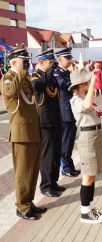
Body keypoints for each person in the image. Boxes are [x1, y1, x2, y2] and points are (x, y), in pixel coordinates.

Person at [0, 44, 46, 220]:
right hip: (21, 133)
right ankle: (21, 207)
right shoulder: (8, 78)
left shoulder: (24, 78)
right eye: (22, 61)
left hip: (33, 130)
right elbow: (11, 93)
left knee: (33, 170)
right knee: (23, 171)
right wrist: (19, 71)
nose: (26, 64)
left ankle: (29, 202)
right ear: (13, 62)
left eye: (26, 61)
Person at [69, 69, 102, 224]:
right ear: (81, 84)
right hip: (87, 139)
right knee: (87, 176)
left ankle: (90, 207)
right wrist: (93, 83)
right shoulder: (76, 100)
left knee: (92, 175)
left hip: (94, 137)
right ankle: (84, 212)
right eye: (86, 81)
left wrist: (90, 86)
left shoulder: (83, 97)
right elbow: (86, 106)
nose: (89, 83)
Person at [30, 49, 65, 197]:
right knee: (48, 155)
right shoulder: (34, 77)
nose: (52, 65)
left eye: (52, 62)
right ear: (41, 63)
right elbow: (38, 88)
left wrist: (50, 73)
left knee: (56, 153)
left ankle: (54, 182)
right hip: (44, 122)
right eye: (50, 62)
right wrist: (47, 73)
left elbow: (57, 91)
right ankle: (45, 186)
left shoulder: (50, 77)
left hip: (56, 119)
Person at [53, 48, 80, 177]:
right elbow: (65, 85)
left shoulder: (66, 72)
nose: (70, 60)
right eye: (67, 58)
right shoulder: (57, 72)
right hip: (65, 111)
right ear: (60, 59)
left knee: (70, 141)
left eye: (70, 58)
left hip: (70, 110)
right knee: (66, 142)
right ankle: (65, 168)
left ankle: (70, 166)